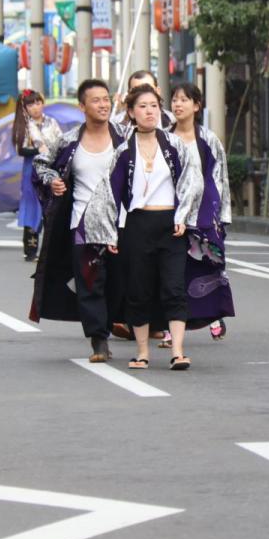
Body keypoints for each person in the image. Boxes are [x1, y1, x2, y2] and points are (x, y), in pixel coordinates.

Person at [83, 84, 202, 370]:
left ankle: (177, 351)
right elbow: (108, 192)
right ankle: (142, 351)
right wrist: (109, 232)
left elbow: (192, 182)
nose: (149, 111)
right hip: (137, 225)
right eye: (142, 106)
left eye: (153, 106)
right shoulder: (123, 151)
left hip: (171, 225)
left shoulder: (174, 146)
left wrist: (183, 216)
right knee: (138, 289)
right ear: (132, 113)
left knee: (174, 287)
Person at [29, 78, 126, 363]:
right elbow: (40, 164)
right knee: (89, 282)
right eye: (96, 100)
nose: (103, 104)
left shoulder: (124, 135)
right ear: (83, 106)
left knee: (118, 282)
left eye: (106, 99)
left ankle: (110, 326)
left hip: (120, 224)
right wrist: (54, 181)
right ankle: (98, 341)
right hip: (82, 224)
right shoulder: (70, 139)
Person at [164, 81, 234, 344]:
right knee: (173, 272)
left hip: (203, 217)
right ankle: (171, 325)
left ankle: (213, 315)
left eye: (184, 99)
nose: (178, 104)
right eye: (174, 99)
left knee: (207, 268)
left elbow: (220, 178)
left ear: (196, 105)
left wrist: (221, 216)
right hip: (170, 215)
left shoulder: (208, 139)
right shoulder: (163, 137)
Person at [12, 89, 62, 261]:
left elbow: (60, 141)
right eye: (31, 104)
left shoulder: (52, 122)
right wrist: (38, 150)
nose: (35, 107)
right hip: (32, 168)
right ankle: (31, 249)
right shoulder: (24, 125)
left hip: (50, 166)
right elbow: (21, 149)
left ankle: (50, 250)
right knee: (32, 207)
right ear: (25, 107)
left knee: (51, 206)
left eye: (38, 103)